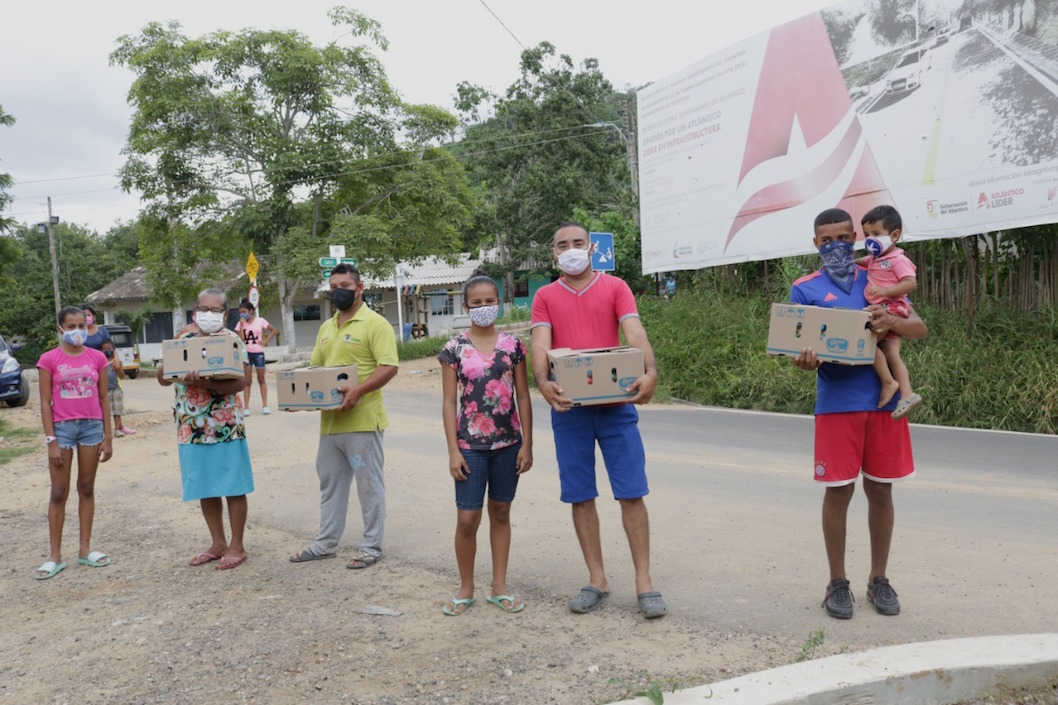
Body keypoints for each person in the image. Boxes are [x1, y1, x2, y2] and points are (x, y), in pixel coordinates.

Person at [792, 208, 928, 619]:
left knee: (881, 490)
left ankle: (879, 580)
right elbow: (795, 342)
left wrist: (894, 321)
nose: (835, 246)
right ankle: (837, 583)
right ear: (816, 244)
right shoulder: (804, 288)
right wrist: (805, 360)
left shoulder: (879, 274)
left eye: (841, 238)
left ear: (854, 238)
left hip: (884, 404)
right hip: (836, 404)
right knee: (838, 491)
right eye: (825, 240)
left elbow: (918, 327)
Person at [530, 221, 667, 619]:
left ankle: (644, 582)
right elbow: (540, 343)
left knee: (631, 491)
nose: (570, 249)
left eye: (578, 242)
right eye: (562, 244)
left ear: (591, 249)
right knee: (580, 494)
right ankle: (597, 579)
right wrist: (542, 381)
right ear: (553, 253)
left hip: (615, 404)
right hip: (570, 408)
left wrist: (650, 372)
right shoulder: (545, 296)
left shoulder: (615, 287)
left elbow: (634, 333)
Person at [289, 263, 399, 569]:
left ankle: (371, 547)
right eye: (333, 286)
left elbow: (389, 366)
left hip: (363, 422)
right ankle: (325, 543)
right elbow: (315, 371)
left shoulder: (375, 324)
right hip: (331, 423)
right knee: (330, 483)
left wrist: (359, 391)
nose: (338, 291)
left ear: (359, 288)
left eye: (345, 286)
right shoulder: (327, 327)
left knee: (369, 485)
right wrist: (301, 395)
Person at [438, 273, 533, 615]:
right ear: (466, 306)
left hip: (509, 444)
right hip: (469, 446)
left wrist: (527, 444)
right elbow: (450, 403)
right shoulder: (454, 350)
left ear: (500, 303)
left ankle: (499, 587)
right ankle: (466, 587)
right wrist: (453, 450)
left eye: (489, 301)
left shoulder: (513, 346)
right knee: (467, 518)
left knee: (502, 512)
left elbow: (523, 396)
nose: (483, 308)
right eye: (476, 303)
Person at [158, 288, 253, 570]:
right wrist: (174, 372)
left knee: (233, 486)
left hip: (224, 425)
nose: (208, 315)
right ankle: (217, 542)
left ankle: (237, 545)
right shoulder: (183, 339)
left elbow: (241, 382)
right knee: (205, 487)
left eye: (215, 310)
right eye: (203, 309)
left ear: (225, 314)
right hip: (191, 426)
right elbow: (164, 379)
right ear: (195, 311)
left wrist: (206, 383)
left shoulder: (232, 340)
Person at [34, 306, 114, 579]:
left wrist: (109, 436)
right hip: (62, 430)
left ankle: (85, 550)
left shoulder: (98, 358)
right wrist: (51, 440)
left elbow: (104, 398)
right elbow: (45, 402)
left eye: (81, 325)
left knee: (87, 487)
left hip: (92, 428)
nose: (77, 331)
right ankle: (54, 557)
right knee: (59, 492)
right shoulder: (49, 360)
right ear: (60, 329)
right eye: (70, 327)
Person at [856, 205, 922, 418]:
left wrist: (885, 291)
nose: (870, 239)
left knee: (866, 343)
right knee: (892, 355)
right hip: (888, 308)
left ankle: (888, 382)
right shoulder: (875, 258)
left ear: (894, 235)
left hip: (890, 308)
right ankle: (907, 394)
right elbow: (861, 262)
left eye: (876, 234)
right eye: (867, 235)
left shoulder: (898, 260)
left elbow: (910, 283)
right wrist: (850, 263)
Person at [234, 299, 278, 416]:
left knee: (261, 379)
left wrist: (265, 341)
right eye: (240, 312)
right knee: (247, 381)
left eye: (244, 311)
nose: (242, 314)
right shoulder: (240, 323)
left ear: (251, 311)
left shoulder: (260, 321)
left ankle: (265, 405)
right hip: (247, 354)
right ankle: (246, 407)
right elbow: (241, 339)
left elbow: (273, 330)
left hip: (258, 352)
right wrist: (242, 325)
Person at [100, 339, 136, 437]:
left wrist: (118, 368)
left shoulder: (117, 362)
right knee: (106, 411)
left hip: (116, 389)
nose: (107, 350)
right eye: (104, 349)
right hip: (105, 390)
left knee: (117, 410)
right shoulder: (100, 362)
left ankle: (117, 429)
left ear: (113, 349)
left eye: (109, 348)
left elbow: (122, 376)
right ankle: (106, 431)